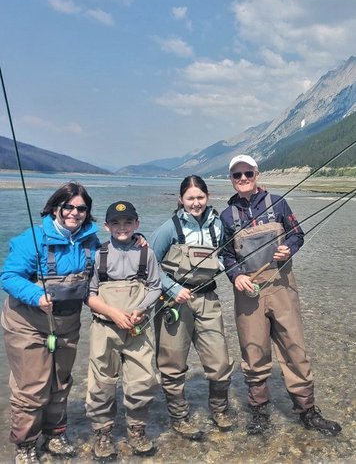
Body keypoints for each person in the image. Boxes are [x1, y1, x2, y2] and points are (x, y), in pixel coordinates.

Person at [220, 154, 342, 436]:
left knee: (294, 348)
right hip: (248, 291)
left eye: (247, 174)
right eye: (237, 175)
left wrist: (289, 248)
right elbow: (226, 255)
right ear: (231, 179)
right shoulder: (226, 216)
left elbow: (297, 234)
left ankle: (308, 411)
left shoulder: (279, 203)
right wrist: (235, 275)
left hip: (282, 285)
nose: (243, 179)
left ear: (257, 174)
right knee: (254, 351)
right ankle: (260, 412)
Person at [1, 182, 100, 464]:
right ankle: (25, 444)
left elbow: (110, 259)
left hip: (67, 323)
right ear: (55, 207)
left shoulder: (90, 241)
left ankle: (55, 433)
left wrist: (138, 239)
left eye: (81, 208)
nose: (74, 213)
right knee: (31, 387)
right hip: (27, 323)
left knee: (60, 381)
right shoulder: (32, 238)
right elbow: (8, 276)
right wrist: (35, 294)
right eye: (68, 206)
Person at [150, 175, 234, 440]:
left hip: (208, 299)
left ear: (207, 197)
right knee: (172, 365)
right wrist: (174, 289)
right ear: (181, 200)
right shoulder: (168, 229)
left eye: (200, 197)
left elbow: (226, 254)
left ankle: (219, 410)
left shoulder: (218, 225)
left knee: (220, 362)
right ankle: (179, 417)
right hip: (174, 302)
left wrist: (221, 265)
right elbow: (150, 267)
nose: (196, 203)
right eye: (190, 198)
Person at [85, 201, 162, 460]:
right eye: (116, 223)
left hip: (138, 328)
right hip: (104, 328)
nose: (122, 228)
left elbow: (155, 287)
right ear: (106, 226)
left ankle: (137, 430)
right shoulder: (98, 254)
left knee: (142, 381)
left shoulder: (146, 253)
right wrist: (114, 314)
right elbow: (90, 293)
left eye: (128, 223)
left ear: (137, 225)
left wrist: (140, 309)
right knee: (101, 383)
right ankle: (103, 433)